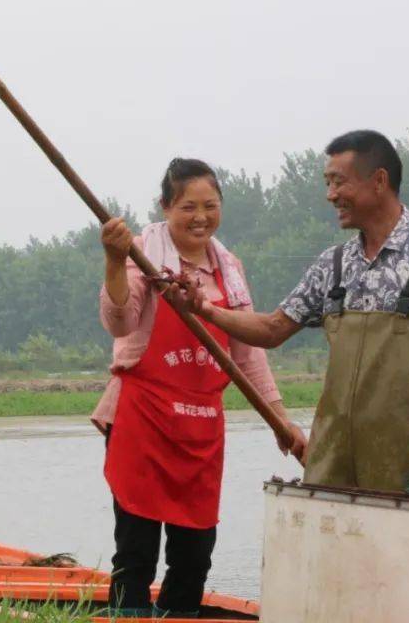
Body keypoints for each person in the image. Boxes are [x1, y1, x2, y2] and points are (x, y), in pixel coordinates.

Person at [171, 130, 409, 493]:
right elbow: (272, 329)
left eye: (339, 182)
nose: (330, 195)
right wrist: (205, 310)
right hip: (331, 473)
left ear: (379, 181)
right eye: (327, 183)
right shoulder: (333, 264)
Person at [92, 157, 306, 618]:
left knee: (194, 554)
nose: (200, 217)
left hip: (200, 428)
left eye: (210, 205)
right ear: (166, 206)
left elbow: (248, 350)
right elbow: (120, 320)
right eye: (188, 206)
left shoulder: (227, 268)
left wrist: (280, 420)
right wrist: (114, 259)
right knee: (135, 553)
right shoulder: (143, 252)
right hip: (142, 419)